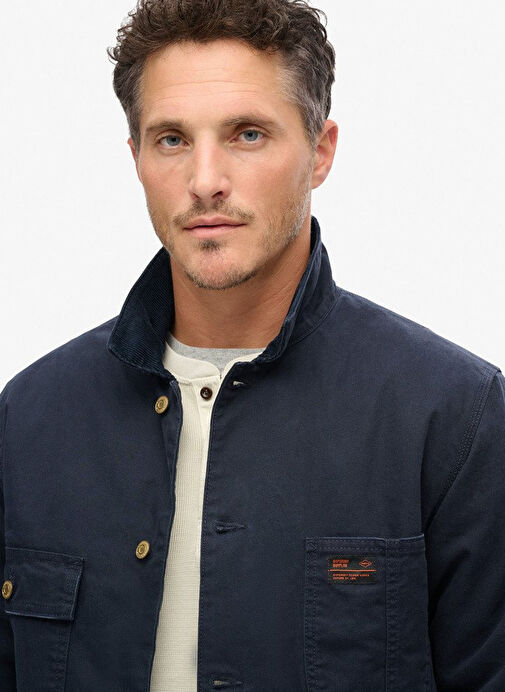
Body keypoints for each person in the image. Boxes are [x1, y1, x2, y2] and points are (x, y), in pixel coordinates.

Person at [1, 0, 504, 689]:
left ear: (320, 152)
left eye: (246, 134)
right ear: (136, 157)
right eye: (171, 139)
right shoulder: (28, 420)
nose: (205, 180)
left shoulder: (454, 417)